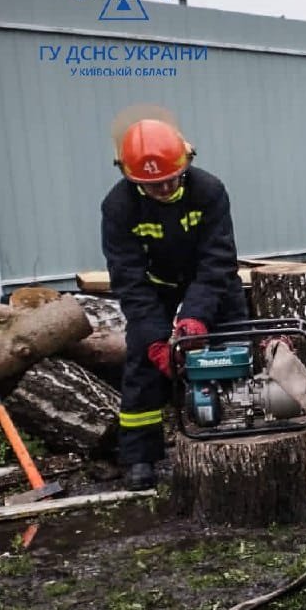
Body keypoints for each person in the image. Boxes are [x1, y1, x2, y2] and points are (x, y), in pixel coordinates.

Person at [101, 117, 247, 490]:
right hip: (155, 287)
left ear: (187, 163)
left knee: (234, 345)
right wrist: (153, 337)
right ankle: (139, 457)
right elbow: (128, 279)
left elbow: (218, 260)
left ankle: (239, 422)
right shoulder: (119, 207)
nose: (164, 188)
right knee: (140, 364)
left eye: (170, 178)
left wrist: (196, 317)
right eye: (152, 185)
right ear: (133, 179)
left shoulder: (209, 191)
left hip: (212, 282)